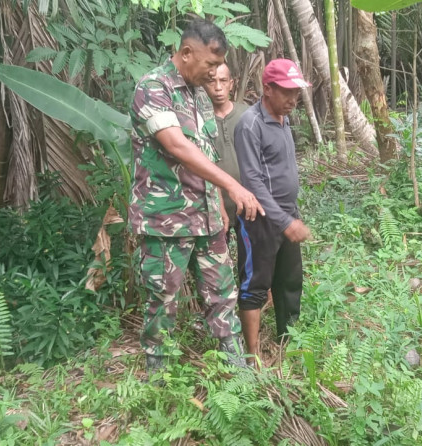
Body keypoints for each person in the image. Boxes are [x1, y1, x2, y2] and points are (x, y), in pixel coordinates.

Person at [129, 19, 265, 376]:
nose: (213, 72)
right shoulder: (153, 87)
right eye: (208, 64)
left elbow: (208, 153)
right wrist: (234, 187)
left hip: (207, 217)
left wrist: (219, 204)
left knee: (223, 294)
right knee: (162, 300)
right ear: (186, 53)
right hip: (165, 220)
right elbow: (177, 145)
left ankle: (239, 373)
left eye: (218, 67)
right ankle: (159, 380)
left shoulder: (199, 94)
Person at [233, 59, 312, 364]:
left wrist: (292, 213)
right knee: (255, 284)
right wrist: (283, 221)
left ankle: (287, 341)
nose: (293, 99)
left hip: (286, 215)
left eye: (296, 92)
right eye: (286, 92)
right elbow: (253, 181)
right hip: (261, 221)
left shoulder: (283, 118)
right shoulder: (250, 125)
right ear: (267, 89)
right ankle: (252, 357)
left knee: (289, 281)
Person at [204, 63, 249, 232]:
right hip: (213, 205)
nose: (218, 88)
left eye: (223, 81)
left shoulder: (248, 115)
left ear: (232, 83)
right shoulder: (198, 120)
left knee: (250, 256)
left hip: (247, 202)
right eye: (211, 81)